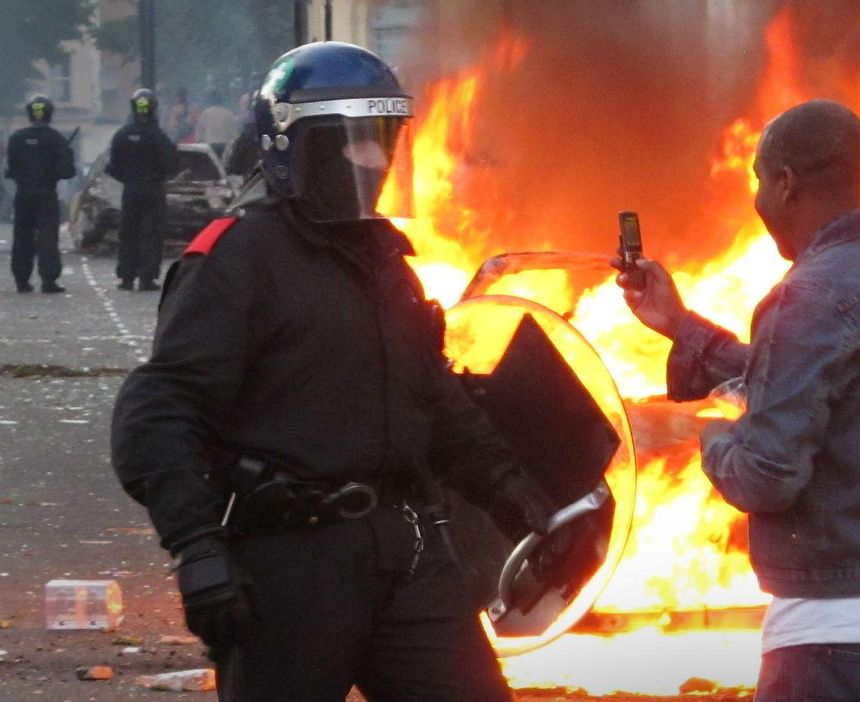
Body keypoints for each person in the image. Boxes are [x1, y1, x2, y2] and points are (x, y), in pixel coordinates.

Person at [111, 41, 566, 702]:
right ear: (292, 148)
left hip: (407, 547)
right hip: (292, 558)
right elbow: (161, 412)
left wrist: (515, 496)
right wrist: (197, 548)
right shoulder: (238, 260)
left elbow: (434, 400)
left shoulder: (389, 261)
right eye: (353, 143)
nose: (375, 160)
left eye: (384, 141)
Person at [615, 100, 860, 701]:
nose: (758, 201)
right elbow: (817, 384)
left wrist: (705, 431)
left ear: (785, 183)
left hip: (840, 639)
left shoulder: (807, 294)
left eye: (760, 181)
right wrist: (682, 327)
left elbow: (765, 477)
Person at [106, 88, 179, 292]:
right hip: (153, 189)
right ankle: (147, 277)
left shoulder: (122, 135)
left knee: (128, 232)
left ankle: (127, 277)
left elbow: (113, 165)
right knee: (152, 234)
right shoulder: (158, 136)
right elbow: (172, 163)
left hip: (130, 189)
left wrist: (129, 178)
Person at [4, 94, 74, 293]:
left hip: (24, 194)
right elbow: (68, 171)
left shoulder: (17, 138)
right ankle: (49, 280)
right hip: (46, 194)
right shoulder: (55, 138)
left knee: (22, 237)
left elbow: (10, 169)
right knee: (48, 237)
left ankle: (21, 279)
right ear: (49, 113)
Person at [196, 91, 237, 158]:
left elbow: (200, 131)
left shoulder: (205, 113)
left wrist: (200, 142)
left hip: (210, 145)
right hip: (225, 145)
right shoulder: (229, 113)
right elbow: (233, 133)